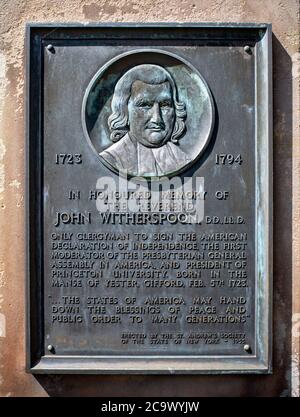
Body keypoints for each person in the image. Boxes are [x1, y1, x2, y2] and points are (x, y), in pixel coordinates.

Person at [100, 64, 190, 177]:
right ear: (124, 111)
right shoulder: (112, 158)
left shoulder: (182, 159)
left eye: (165, 105)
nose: (157, 118)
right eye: (145, 105)